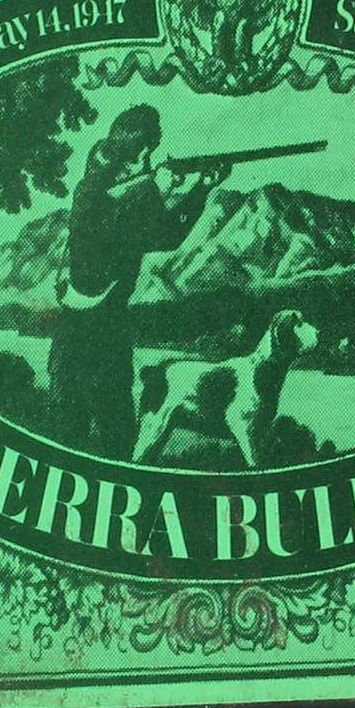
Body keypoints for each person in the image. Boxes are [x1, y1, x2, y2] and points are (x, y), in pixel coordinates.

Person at [48, 104, 228, 458]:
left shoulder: (131, 197)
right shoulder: (88, 193)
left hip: (112, 332)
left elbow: (166, 236)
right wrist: (152, 188)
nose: (148, 161)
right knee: (68, 440)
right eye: (142, 154)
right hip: (78, 336)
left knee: (119, 438)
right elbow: (103, 233)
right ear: (127, 155)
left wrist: (202, 188)